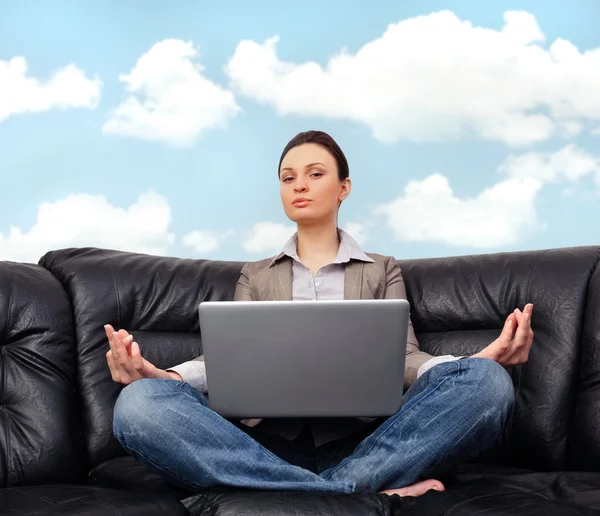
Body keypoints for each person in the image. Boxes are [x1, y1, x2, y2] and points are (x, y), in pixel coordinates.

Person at [106, 130, 534, 497]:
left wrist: (476, 363)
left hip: (372, 441)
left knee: (488, 383)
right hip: (262, 446)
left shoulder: (381, 269)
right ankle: (350, 490)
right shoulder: (255, 276)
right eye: (288, 178)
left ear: (344, 187)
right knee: (138, 404)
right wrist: (159, 375)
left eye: (315, 174)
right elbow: (224, 364)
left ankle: (313, 485)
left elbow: (404, 359)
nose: (299, 186)